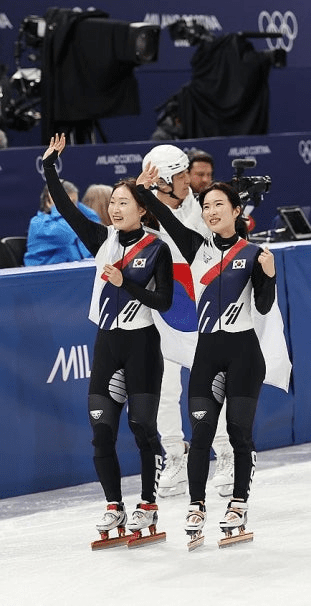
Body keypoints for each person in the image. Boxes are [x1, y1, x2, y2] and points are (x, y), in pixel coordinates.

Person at [41, 134, 173, 544]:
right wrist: (49, 166)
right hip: (107, 345)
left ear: (141, 210)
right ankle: (114, 504)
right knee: (101, 431)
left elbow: (165, 302)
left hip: (142, 346)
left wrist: (127, 283)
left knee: (141, 428)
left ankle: (148, 501)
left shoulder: (157, 248)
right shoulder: (102, 240)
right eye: (112, 203)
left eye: (123, 203)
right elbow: (64, 207)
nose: (114, 209)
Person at [137, 171, 276, 542]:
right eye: (206, 205)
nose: (211, 211)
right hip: (207, 354)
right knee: (201, 433)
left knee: (238, 434)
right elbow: (160, 213)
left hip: (244, 354)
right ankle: (196, 506)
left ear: (236, 210)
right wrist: (142, 188)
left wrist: (270, 275)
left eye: (219, 205)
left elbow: (263, 306)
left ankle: (238, 503)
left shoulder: (254, 254)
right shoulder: (195, 247)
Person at [141, 144, 234, 500]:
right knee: (165, 391)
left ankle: (225, 454)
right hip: (165, 312)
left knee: (212, 388)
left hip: (201, 312)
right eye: (179, 176)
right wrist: (139, 194)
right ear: (162, 182)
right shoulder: (144, 211)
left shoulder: (202, 212)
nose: (187, 182)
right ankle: (174, 457)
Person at [24, 179, 101, 266]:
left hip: (73, 273)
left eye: (74, 203)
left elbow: (94, 223)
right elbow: (67, 234)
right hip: (44, 276)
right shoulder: (38, 223)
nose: (72, 208)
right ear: (48, 201)